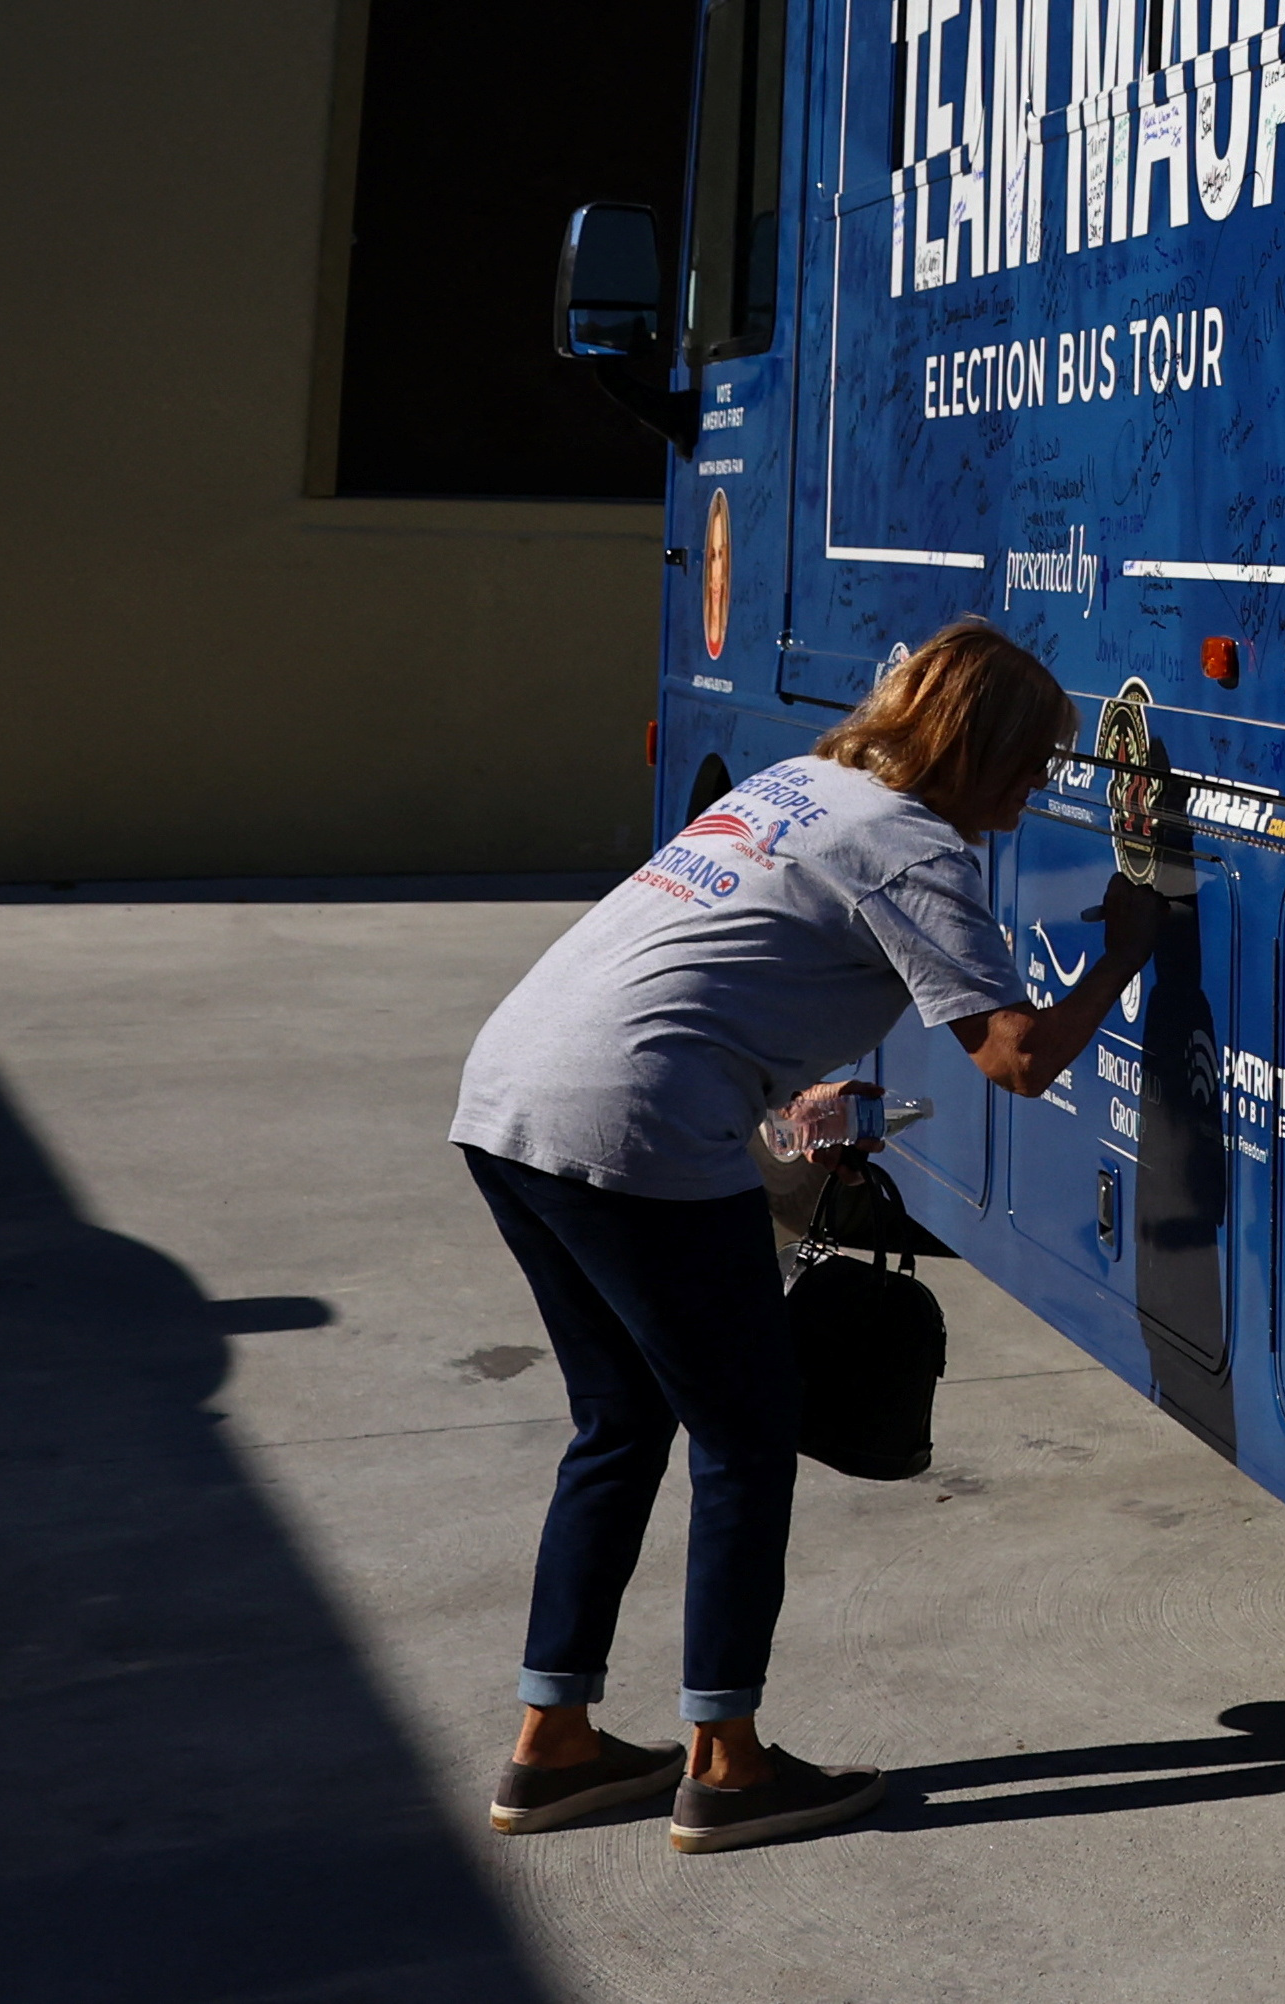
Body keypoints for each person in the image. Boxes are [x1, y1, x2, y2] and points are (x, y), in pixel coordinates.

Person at [448, 617, 1161, 1851]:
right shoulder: (918, 850)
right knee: (746, 1434)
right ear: (971, 742)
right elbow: (1017, 1059)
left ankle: (552, 1745)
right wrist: (1122, 963)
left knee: (619, 1423)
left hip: (510, 1094)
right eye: (1031, 757)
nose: (1039, 783)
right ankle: (727, 1764)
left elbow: (722, 959)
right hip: (639, 1125)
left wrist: (791, 1092)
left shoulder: (801, 787)